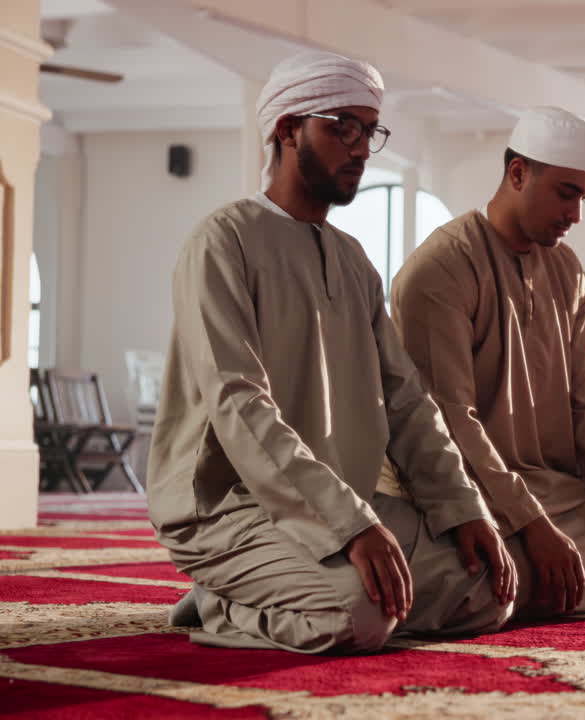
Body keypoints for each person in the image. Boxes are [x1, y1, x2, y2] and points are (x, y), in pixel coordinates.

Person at [147, 51, 515, 654]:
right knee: (359, 618)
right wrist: (347, 526)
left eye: (370, 129)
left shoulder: (352, 260)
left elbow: (406, 403)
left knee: (491, 590)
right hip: (229, 507)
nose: (362, 147)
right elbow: (240, 403)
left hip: (346, 497)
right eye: (342, 125)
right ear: (289, 129)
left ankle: (285, 585)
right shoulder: (223, 241)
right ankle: (224, 599)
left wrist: (461, 507)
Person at [380, 107, 585, 616]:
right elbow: (450, 422)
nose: (577, 214)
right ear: (518, 173)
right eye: (566, 193)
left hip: (549, 491)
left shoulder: (566, 270)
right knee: (486, 585)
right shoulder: (441, 269)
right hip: (455, 493)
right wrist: (530, 525)